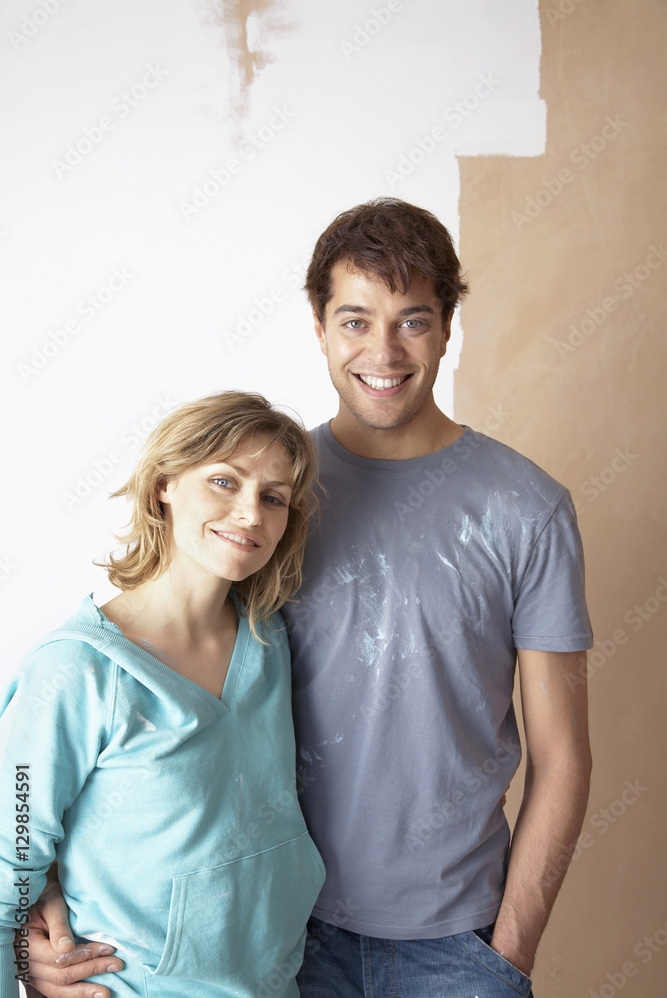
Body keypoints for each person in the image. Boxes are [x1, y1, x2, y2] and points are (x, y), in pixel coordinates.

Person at [23, 199, 592, 998]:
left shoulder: (526, 510)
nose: (383, 351)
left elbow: (562, 757)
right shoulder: (268, 499)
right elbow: (71, 748)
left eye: (413, 321)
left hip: (459, 944)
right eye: (354, 320)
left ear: (448, 327)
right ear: (319, 327)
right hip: (280, 944)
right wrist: (34, 916)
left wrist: (509, 950)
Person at [1, 391, 325, 998]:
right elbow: (7, 860)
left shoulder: (271, 638)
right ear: (163, 487)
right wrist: (25, 951)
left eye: (273, 497)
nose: (251, 513)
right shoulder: (75, 671)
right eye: (225, 481)